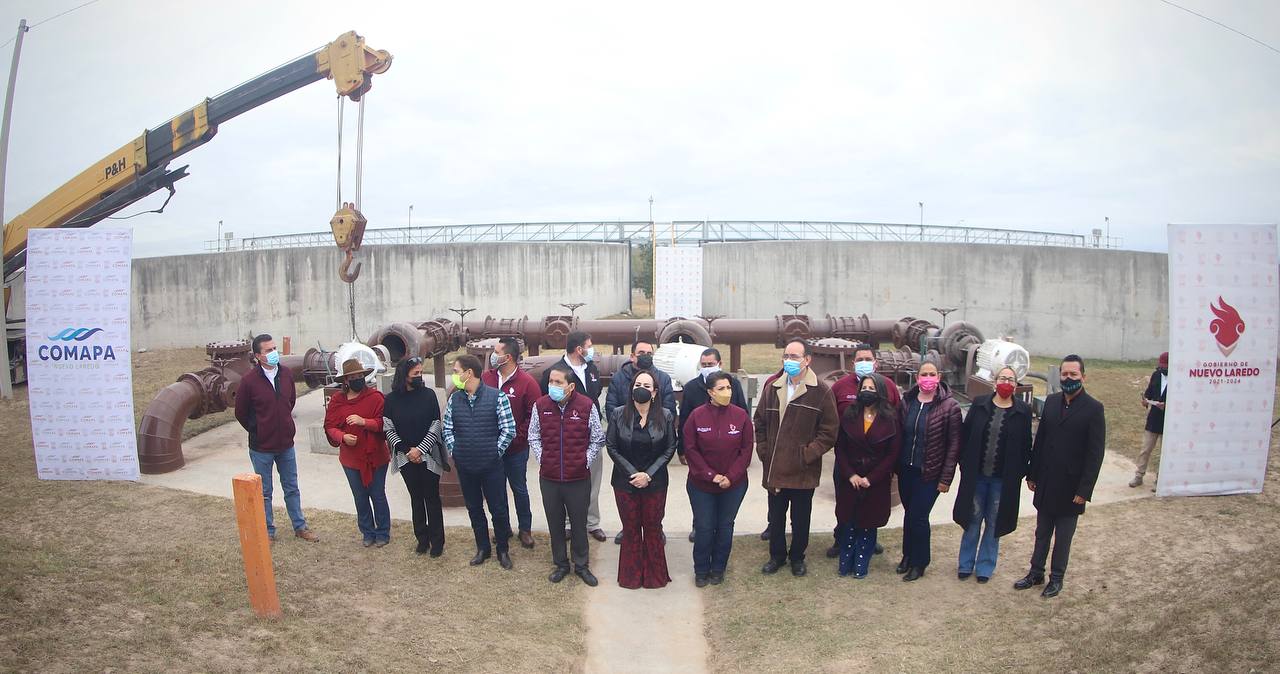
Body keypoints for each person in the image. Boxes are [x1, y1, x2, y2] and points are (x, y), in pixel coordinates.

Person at [1015, 354, 1106, 599]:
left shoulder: (1094, 409)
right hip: (1046, 482)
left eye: (1073, 374)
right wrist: (1032, 473)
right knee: (1041, 532)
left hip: (1071, 487)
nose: (1068, 378)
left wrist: (1084, 491)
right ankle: (1036, 572)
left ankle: (1056, 578)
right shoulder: (1052, 402)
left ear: (1083, 377)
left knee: (1063, 537)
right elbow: (1041, 439)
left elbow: (1095, 454)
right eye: (1065, 374)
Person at [754, 339, 838, 577]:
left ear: (807, 360)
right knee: (776, 517)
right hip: (775, 469)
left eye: (795, 357)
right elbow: (759, 421)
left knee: (801, 519)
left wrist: (807, 454)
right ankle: (776, 556)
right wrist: (763, 450)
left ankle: (797, 557)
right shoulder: (773, 388)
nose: (789, 361)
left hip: (803, 470)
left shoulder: (821, 391)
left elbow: (829, 432)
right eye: (786, 356)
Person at [234, 333, 319, 543]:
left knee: (291, 487)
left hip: (286, 445)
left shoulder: (286, 374)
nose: (274, 353)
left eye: (274, 349)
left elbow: (289, 402)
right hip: (262, 448)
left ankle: (300, 527)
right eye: (268, 350)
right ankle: (268, 531)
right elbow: (241, 412)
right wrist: (258, 429)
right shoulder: (249, 381)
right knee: (264, 492)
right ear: (257, 356)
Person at [951, 366, 1032, 583]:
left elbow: (1026, 445)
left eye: (1011, 379)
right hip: (976, 477)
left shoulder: (1023, 411)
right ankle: (965, 563)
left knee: (994, 522)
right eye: (1002, 378)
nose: (1006, 381)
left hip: (1002, 480)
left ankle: (985, 566)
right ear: (995, 381)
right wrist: (964, 463)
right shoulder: (980, 405)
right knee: (973, 518)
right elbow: (966, 435)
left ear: (1016, 385)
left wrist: (1019, 472)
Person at [531, 363, 606, 586]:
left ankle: (581, 565)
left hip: (577, 478)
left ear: (570, 386)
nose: (552, 386)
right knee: (555, 524)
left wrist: (585, 461)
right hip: (550, 478)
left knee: (579, 523)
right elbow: (533, 435)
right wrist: (542, 457)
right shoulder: (540, 405)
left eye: (558, 382)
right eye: (550, 382)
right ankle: (561, 564)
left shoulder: (586, 405)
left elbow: (598, 438)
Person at [824, 343, 900, 557]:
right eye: (860, 360)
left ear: (875, 363)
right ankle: (841, 539)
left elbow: (895, 421)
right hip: (847, 460)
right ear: (853, 363)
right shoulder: (839, 387)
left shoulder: (888, 386)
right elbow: (829, 419)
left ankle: (869, 538)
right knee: (845, 501)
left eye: (868, 359)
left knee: (872, 503)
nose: (864, 363)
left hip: (877, 463)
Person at [443, 354, 516, 569]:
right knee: (474, 508)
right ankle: (482, 548)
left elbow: (508, 429)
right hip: (465, 466)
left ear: (469, 373)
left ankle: (503, 550)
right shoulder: (455, 399)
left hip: (492, 466)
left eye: (456, 371)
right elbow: (447, 428)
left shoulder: (497, 397)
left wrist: (494, 452)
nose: (454, 376)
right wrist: (456, 450)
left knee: (498, 509)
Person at [607, 371, 678, 589]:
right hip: (624, 483)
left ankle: (655, 577)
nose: (641, 388)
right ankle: (631, 577)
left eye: (647, 386)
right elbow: (611, 446)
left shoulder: (665, 416)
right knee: (631, 528)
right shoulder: (618, 414)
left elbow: (670, 448)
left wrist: (648, 474)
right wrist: (633, 474)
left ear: (655, 392)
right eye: (638, 384)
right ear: (631, 389)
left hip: (655, 483)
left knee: (653, 527)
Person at [684, 371, 753, 587]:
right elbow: (691, 450)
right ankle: (701, 569)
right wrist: (711, 476)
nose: (726, 392)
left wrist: (730, 477)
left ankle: (718, 569)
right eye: (721, 388)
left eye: (729, 388)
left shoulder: (741, 416)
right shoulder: (696, 416)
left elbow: (746, 451)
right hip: (701, 485)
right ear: (710, 392)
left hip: (733, 485)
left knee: (725, 526)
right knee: (704, 527)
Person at [895, 358, 962, 582]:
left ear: (939, 377)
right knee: (909, 514)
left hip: (930, 473)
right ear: (917, 377)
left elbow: (954, 445)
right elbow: (900, 435)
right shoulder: (908, 401)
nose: (928, 378)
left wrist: (946, 478)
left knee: (919, 516)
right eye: (924, 374)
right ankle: (907, 555)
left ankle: (919, 562)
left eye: (932, 374)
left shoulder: (949, 406)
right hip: (906, 469)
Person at [606, 340, 678, 545]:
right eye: (641, 352)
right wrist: (621, 426)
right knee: (631, 520)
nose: (646, 355)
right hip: (625, 451)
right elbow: (611, 406)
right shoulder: (620, 378)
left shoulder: (662, 378)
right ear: (632, 356)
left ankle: (656, 530)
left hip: (654, 455)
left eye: (649, 352)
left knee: (653, 518)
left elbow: (670, 410)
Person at [539, 331, 608, 542]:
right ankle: (569, 524)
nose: (592, 349)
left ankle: (592, 522)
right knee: (567, 485)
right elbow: (546, 403)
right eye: (589, 345)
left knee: (593, 482)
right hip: (565, 440)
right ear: (579, 349)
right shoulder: (555, 373)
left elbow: (594, 398)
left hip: (589, 437)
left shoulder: (592, 370)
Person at [833, 373, 901, 578]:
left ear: (879, 392)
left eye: (872, 389)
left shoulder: (890, 418)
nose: (867, 392)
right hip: (851, 479)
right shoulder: (850, 415)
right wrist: (850, 474)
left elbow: (892, 453)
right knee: (849, 520)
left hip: (875, 481)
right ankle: (846, 560)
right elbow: (840, 448)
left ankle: (862, 561)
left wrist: (871, 478)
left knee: (868, 523)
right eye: (864, 388)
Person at [678, 348, 747, 544]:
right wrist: (681, 449)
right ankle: (698, 526)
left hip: (727, 452)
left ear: (720, 364)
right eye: (704, 365)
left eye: (711, 364)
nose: (707, 368)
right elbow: (684, 419)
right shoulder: (692, 388)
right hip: (701, 452)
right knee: (701, 498)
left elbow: (742, 412)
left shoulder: (730, 386)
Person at [383, 356, 448, 557]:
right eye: (416, 374)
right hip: (405, 458)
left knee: (432, 499)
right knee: (416, 498)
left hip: (429, 456)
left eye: (421, 373)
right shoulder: (391, 399)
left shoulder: (429, 395)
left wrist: (420, 450)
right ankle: (422, 538)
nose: (420, 377)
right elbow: (388, 427)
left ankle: (437, 541)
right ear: (405, 376)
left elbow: (436, 424)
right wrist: (406, 450)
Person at [324, 358, 390, 547]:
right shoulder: (337, 401)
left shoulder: (376, 398)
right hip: (351, 459)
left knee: (377, 494)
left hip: (376, 457)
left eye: (360, 376)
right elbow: (330, 426)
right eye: (353, 377)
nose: (357, 379)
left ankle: (383, 532)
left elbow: (384, 423)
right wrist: (342, 437)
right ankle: (367, 532)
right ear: (346, 380)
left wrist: (364, 422)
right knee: (360, 496)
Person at [482, 338, 542, 548]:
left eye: (496, 351)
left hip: (516, 450)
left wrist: (515, 438)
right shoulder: (486, 378)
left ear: (507, 357)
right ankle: (503, 528)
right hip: (491, 449)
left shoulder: (527, 383)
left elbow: (533, 417)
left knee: (519, 489)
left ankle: (525, 529)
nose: (492, 354)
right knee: (496, 490)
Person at [1131, 352, 1167, 488]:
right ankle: (1139, 475)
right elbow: (1149, 392)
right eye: (1161, 366)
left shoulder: (1177, 378)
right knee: (1145, 449)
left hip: (1168, 422)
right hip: (1153, 419)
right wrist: (1145, 401)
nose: (1162, 369)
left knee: (1164, 452)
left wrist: (1167, 406)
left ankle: (1160, 478)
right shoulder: (1156, 375)